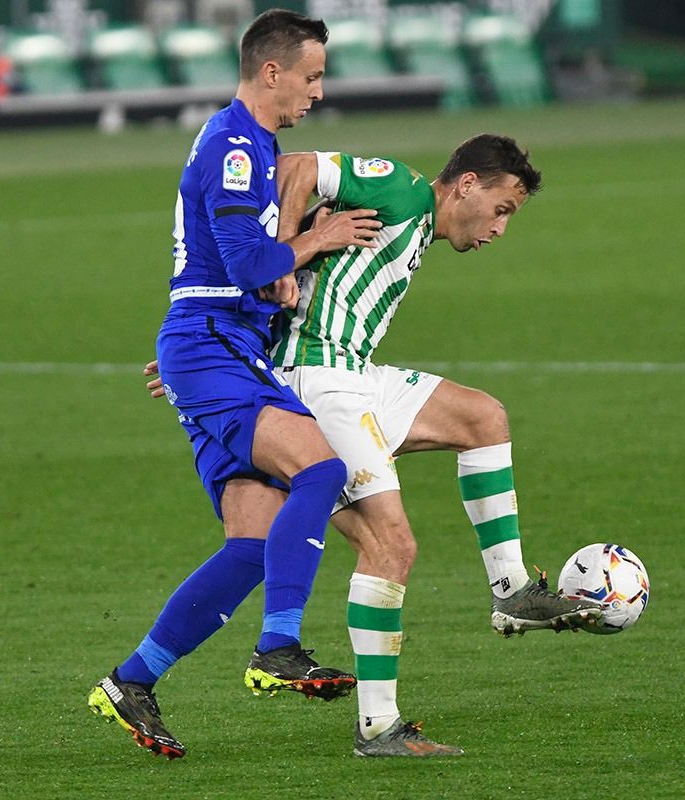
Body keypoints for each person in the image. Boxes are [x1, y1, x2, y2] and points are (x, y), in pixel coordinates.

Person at [146, 134, 602, 757]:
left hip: (354, 374)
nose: (500, 228)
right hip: (318, 382)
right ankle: (378, 728)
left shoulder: (413, 228)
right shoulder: (403, 188)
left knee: (483, 418)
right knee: (390, 546)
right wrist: (285, 254)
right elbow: (296, 165)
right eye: (502, 209)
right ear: (467, 184)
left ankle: (513, 591)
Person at [86, 9, 383, 760]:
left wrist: (284, 262)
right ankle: (277, 649)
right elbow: (247, 264)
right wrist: (312, 241)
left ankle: (134, 681)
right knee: (321, 469)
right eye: (311, 77)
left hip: (215, 342)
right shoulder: (234, 146)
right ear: (272, 71)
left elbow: (246, 265)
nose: (317, 92)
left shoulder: (252, 142)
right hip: (213, 343)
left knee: (254, 544)